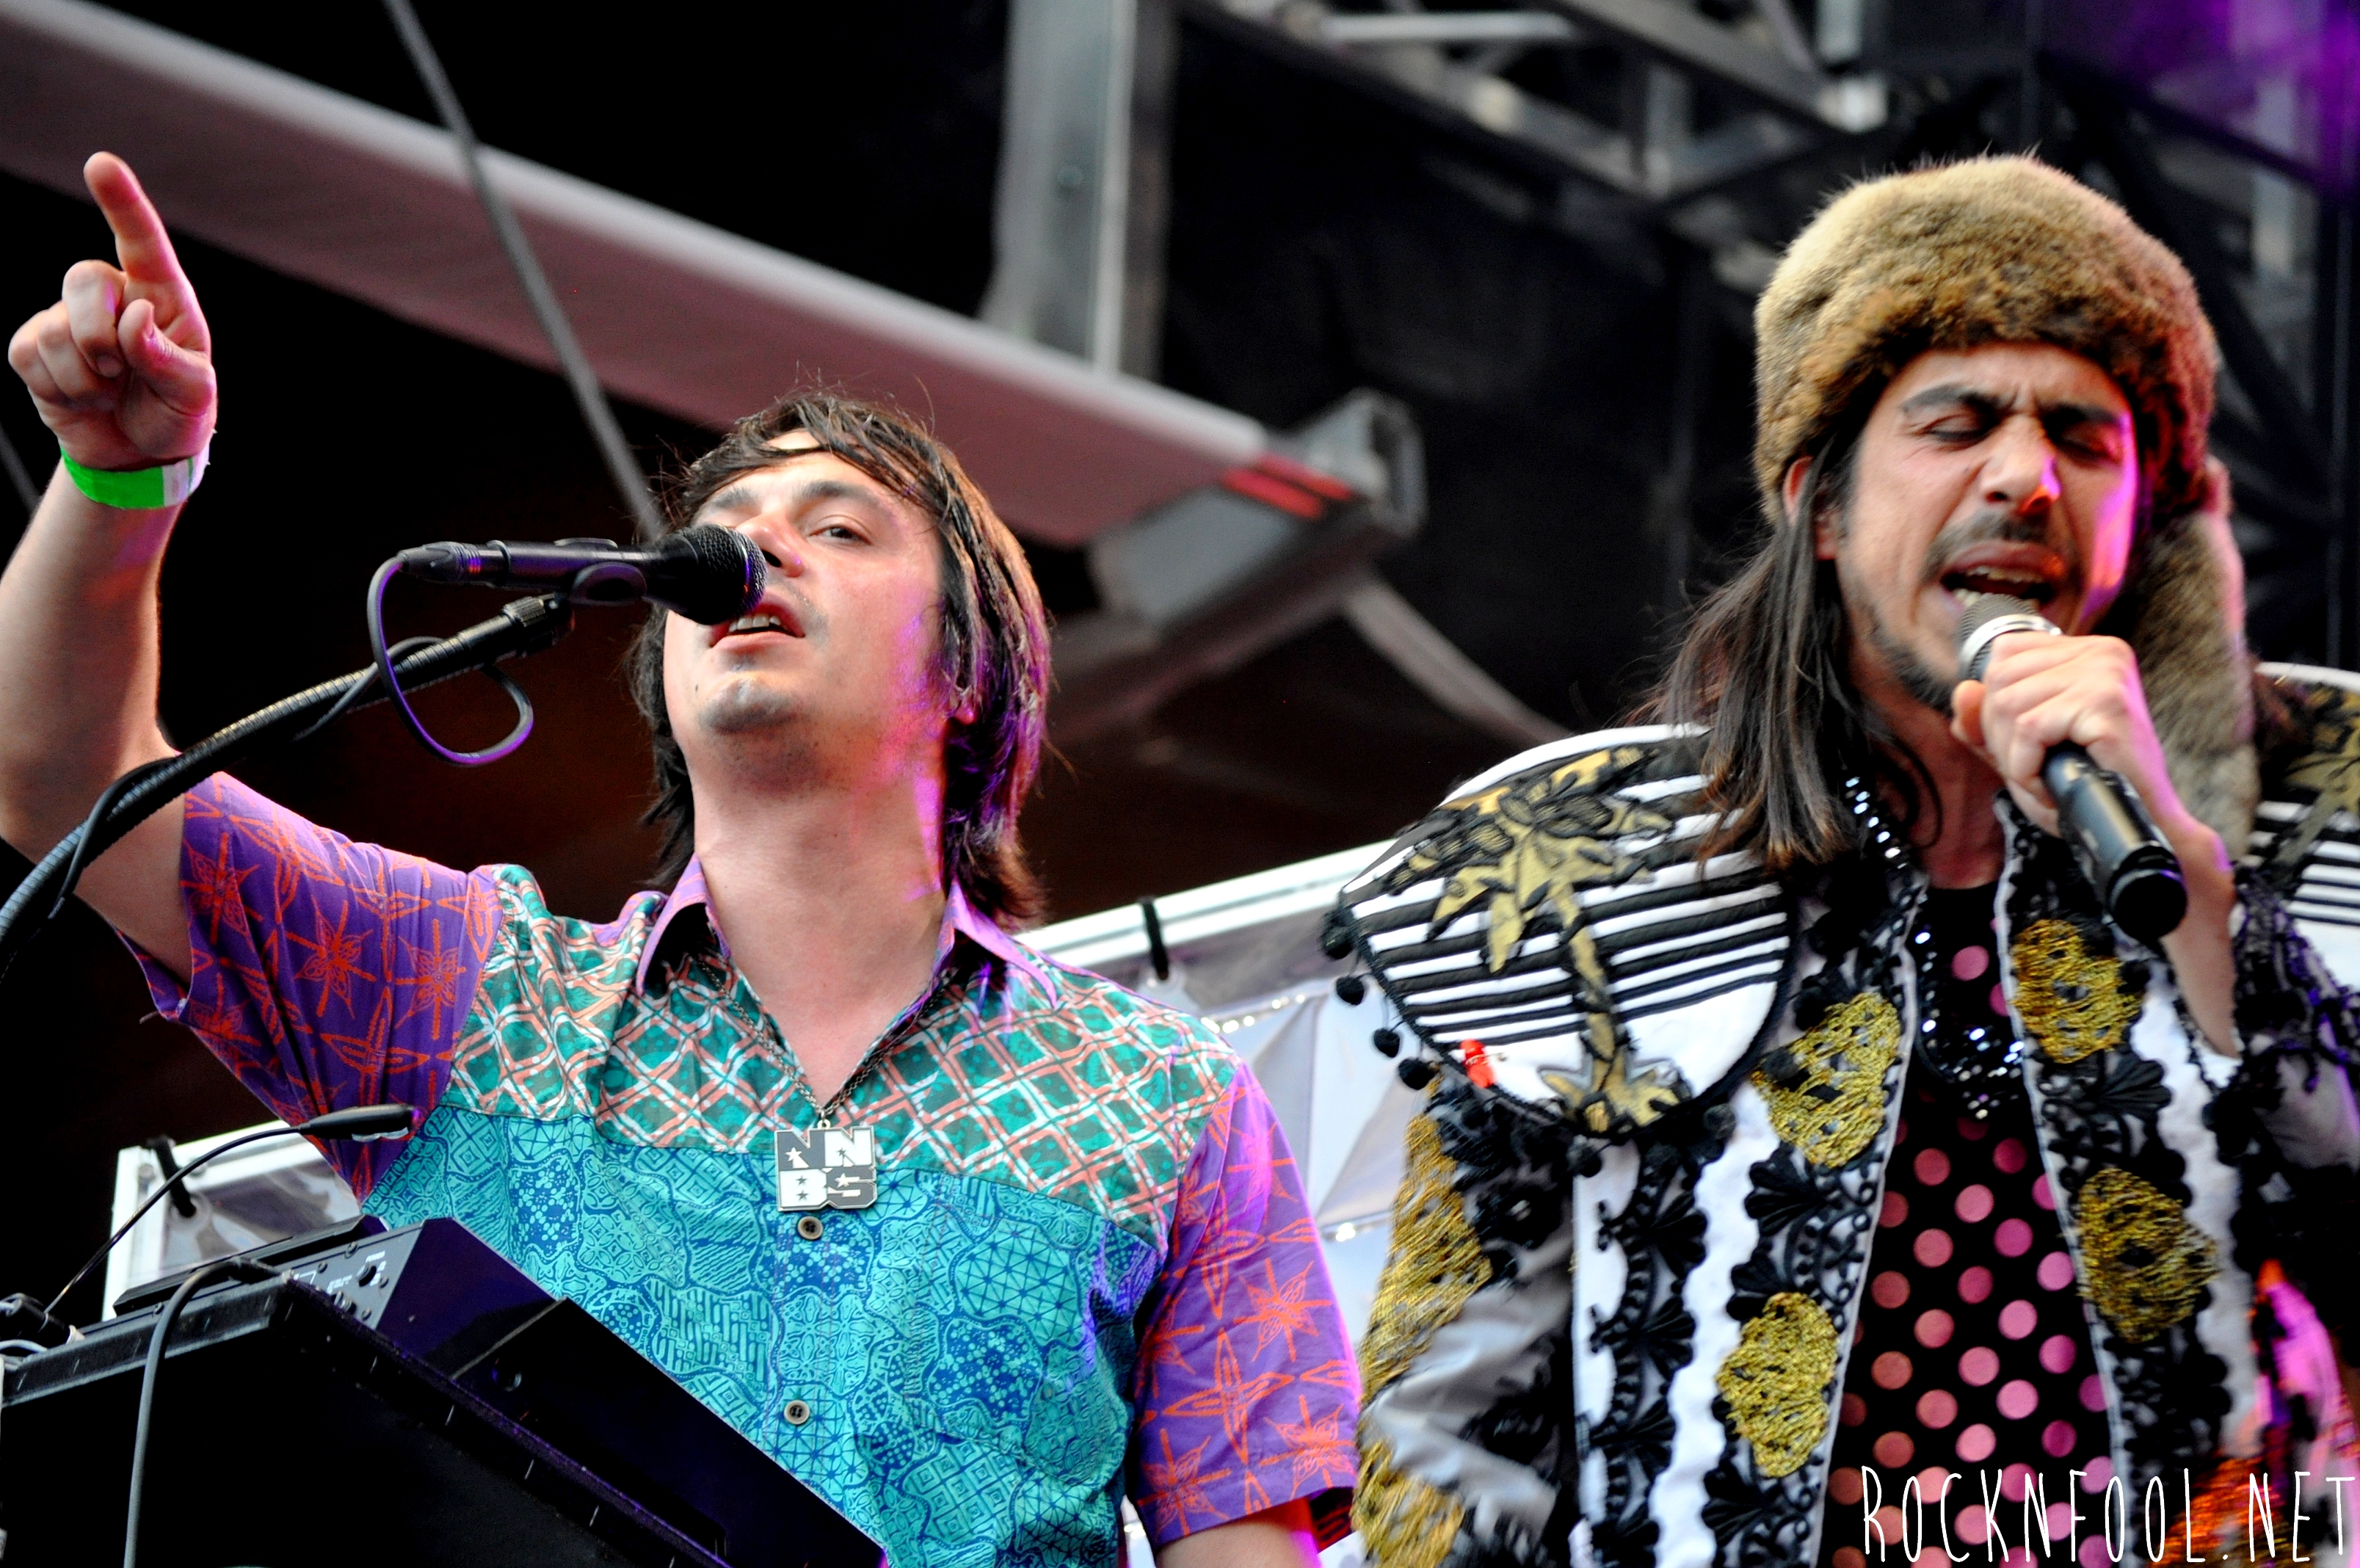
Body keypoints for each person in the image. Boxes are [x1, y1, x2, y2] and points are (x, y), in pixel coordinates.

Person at [1, 152, 1359, 1568]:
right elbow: (65, 782)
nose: (756, 550)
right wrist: (120, 479)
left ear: (970, 668)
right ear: (664, 662)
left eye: (839, 528)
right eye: (724, 536)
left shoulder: (1163, 1101)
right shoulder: (475, 996)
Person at [1331, 156, 2360, 1568]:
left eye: (2084, 436)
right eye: (1958, 422)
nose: (2025, 478)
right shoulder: (1584, 876)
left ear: (2149, 524)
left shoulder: (2310, 831)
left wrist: (2193, 879)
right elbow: (1443, 1433)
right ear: (1819, 505)